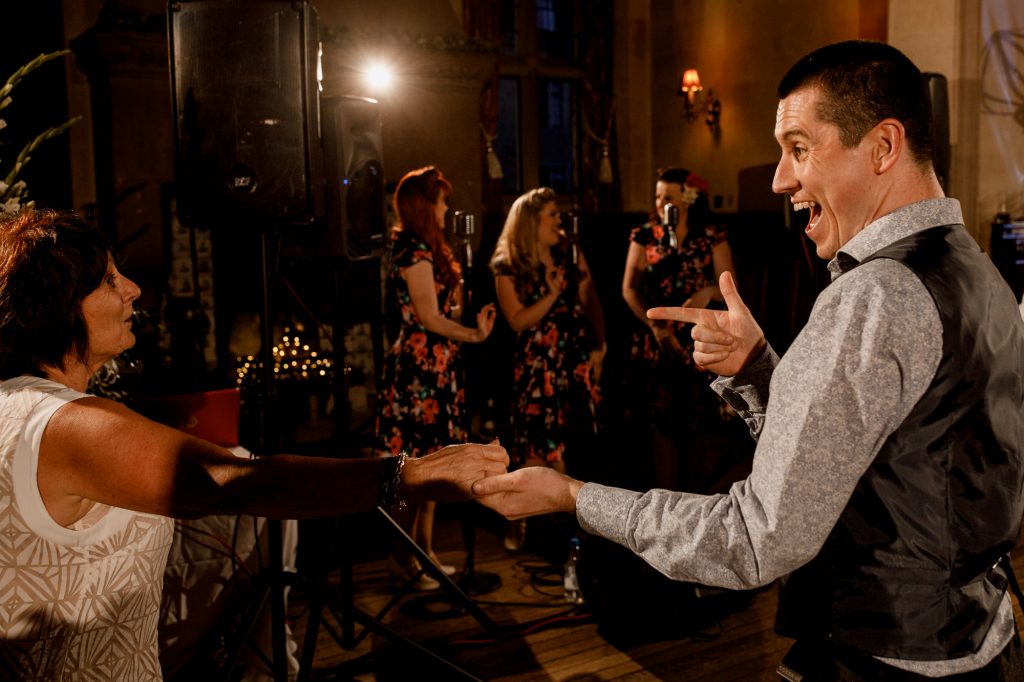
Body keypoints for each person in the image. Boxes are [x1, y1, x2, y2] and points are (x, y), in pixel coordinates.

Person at [474, 40, 1024, 680]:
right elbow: (895, 462)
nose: (778, 178)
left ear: (882, 147)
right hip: (979, 640)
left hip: (885, 661)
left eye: (798, 148)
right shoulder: (977, 270)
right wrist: (760, 368)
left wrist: (573, 497)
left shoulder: (876, 293)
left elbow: (755, 539)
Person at [0, 208, 508, 680]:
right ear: (63, 306)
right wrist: (411, 474)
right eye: (109, 280)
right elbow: (237, 483)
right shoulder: (66, 423)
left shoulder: (13, 402)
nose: (132, 289)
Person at [375, 166, 497, 586]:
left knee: (434, 465)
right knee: (410, 470)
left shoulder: (430, 248)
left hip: (438, 365)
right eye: (441, 199)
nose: (447, 207)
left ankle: (423, 552)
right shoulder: (410, 250)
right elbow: (428, 317)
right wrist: (474, 335)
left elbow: (448, 310)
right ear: (425, 204)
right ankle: (402, 559)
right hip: (419, 368)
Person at [489, 187, 605, 550]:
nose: (559, 221)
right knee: (537, 449)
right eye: (552, 215)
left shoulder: (569, 254)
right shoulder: (507, 266)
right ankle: (526, 527)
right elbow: (518, 320)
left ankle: (573, 538)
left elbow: (590, 299)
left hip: (573, 361)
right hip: (538, 367)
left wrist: (600, 346)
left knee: (572, 445)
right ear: (531, 222)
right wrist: (552, 293)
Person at [621, 167, 735, 490]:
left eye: (668, 197)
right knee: (662, 424)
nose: (661, 203)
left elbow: (730, 286)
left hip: (698, 338)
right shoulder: (645, 235)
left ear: (687, 200)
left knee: (702, 426)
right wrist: (655, 327)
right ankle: (666, 499)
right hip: (659, 338)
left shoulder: (711, 235)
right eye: (657, 196)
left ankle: (699, 498)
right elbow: (629, 289)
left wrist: (709, 292)